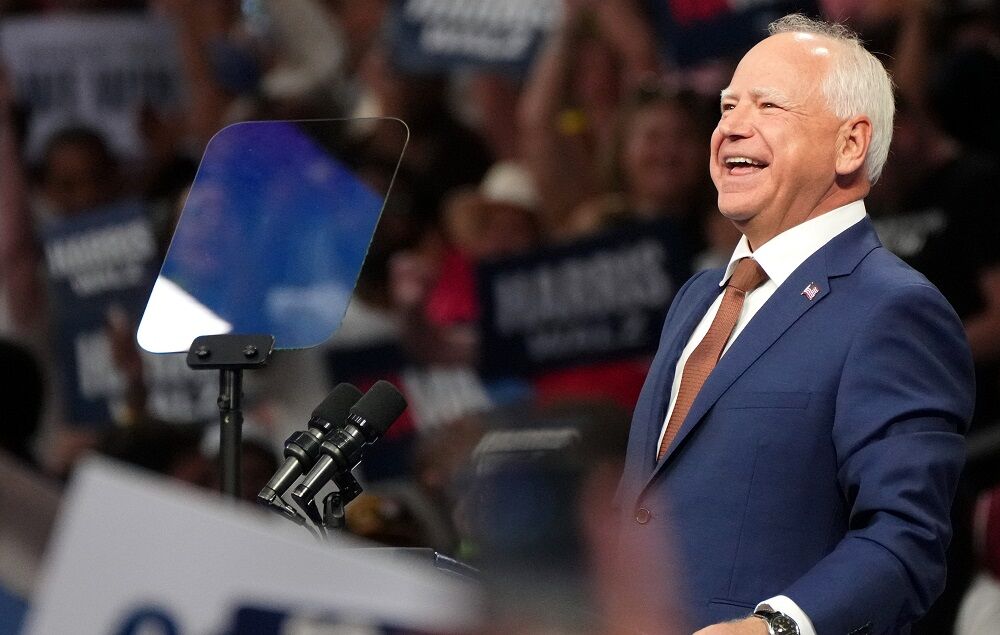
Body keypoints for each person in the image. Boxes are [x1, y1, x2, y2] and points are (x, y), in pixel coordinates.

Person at [615, 14, 974, 635]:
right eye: (726, 106)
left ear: (850, 145)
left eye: (768, 105)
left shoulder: (891, 310)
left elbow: (906, 540)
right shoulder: (700, 297)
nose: (730, 127)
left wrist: (777, 628)